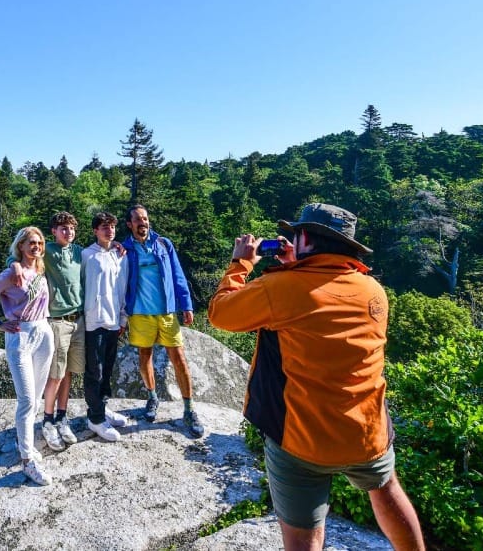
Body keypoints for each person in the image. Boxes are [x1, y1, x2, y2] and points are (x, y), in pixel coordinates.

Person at [207, 203, 425, 551]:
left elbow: (220, 314)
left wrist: (241, 264)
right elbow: (323, 307)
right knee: (385, 487)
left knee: (302, 533)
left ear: (305, 237)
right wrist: (300, 266)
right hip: (367, 431)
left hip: (302, 440)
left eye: (295, 235)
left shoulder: (280, 288)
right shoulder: (374, 292)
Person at [0, 226, 56, 485]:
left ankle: (27, 444)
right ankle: (27, 460)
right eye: (31, 243)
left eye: (39, 243)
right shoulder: (12, 273)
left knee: (35, 398)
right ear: (21, 246)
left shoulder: (39, 270)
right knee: (26, 400)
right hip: (20, 335)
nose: (36, 246)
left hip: (44, 332)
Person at [122, 204, 204, 435]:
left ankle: (189, 409)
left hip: (167, 312)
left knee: (179, 359)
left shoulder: (163, 244)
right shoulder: (124, 249)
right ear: (130, 224)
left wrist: (186, 304)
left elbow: (178, 275)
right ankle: (152, 397)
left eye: (145, 219)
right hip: (139, 313)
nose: (143, 223)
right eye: (138, 220)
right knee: (144, 356)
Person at [37, 212, 86, 451]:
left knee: (69, 372)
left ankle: (62, 417)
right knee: (55, 373)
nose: (68, 232)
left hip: (79, 320)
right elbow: (20, 255)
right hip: (57, 320)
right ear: (54, 231)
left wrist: (117, 245)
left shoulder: (78, 252)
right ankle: (47, 421)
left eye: (71, 228)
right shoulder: (47, 251)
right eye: (63, 228)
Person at [80, 212, 131, 441]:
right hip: (93, 322)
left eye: (111, 226)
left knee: (108, 368)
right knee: (95, 370)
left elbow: (122, 289)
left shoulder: (120, 256)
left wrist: (123, 319)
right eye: (103, 227)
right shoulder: (86, 256)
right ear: (95, 231)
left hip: (113, 321)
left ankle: (103, 407)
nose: (108, 230)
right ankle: (96, 418)